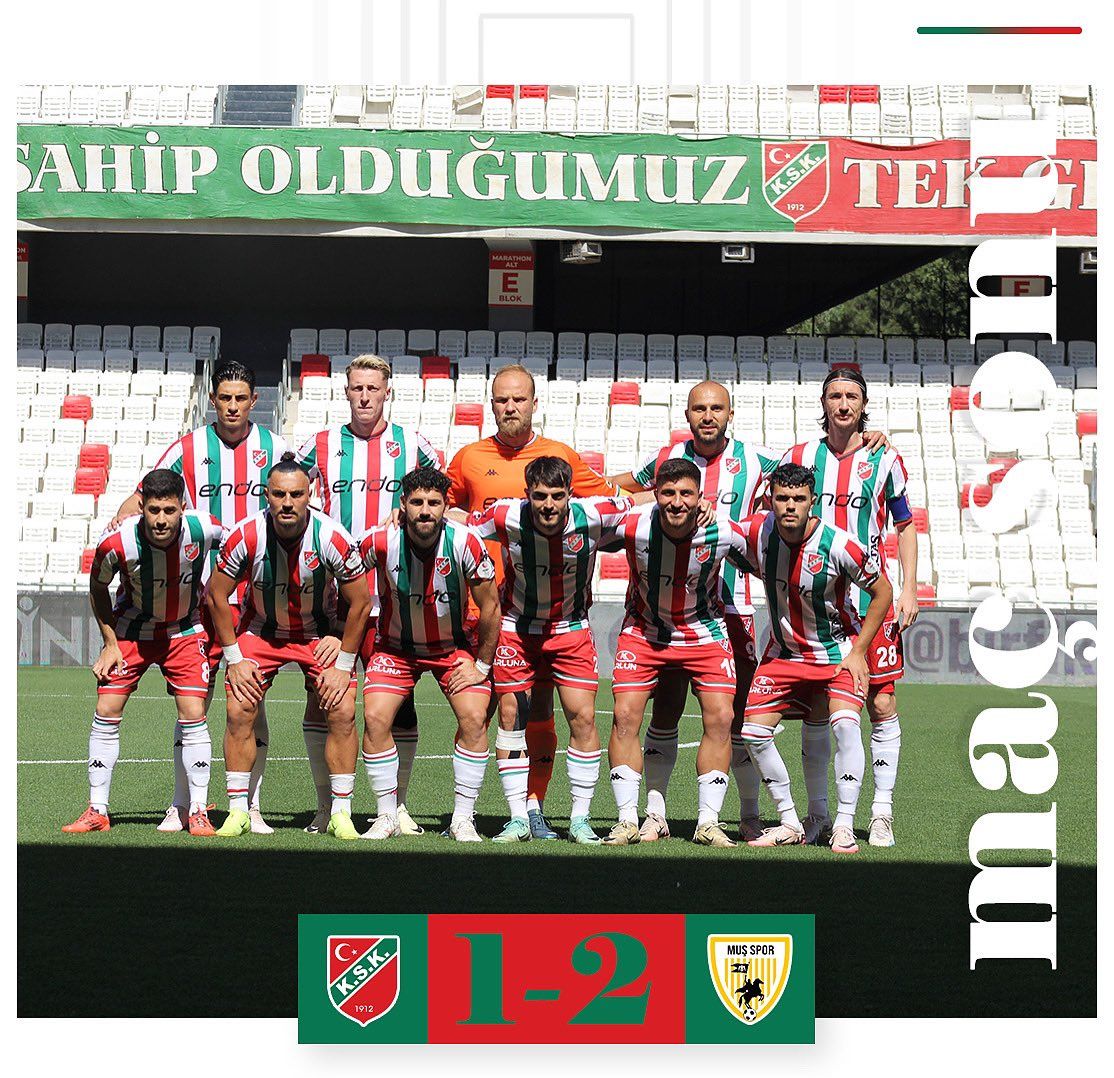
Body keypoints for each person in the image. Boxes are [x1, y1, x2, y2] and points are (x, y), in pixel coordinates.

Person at [446, 362, 626, 840]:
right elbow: (443, 507)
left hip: (560, 622)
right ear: (491, 404)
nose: (510, 407)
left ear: (533, 403)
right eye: (502, 399)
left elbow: (620, 502)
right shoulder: (468, 458)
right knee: (479, 713)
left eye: (519, 399)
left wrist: (691, 502)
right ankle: (467, 815)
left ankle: (537, 809)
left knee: (546, 713)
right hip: (489, 613)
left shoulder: (561, 456)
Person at [111, 360, 287, 835]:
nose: (232, 406)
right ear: (213, 400)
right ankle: (182, 803)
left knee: (251, 701)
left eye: (240, 398)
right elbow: (142, 496)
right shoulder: (186, 449)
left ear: (254, 401)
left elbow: (302, 502)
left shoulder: (276, 449)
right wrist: (120, 518)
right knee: (194, 704)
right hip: (201, 597)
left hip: (255, 595)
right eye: (224, 398)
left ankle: (250, 805)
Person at [608, 381, 780, 842]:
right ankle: (654, 813)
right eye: (699, 408)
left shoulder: (758, 460)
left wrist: (865, 439)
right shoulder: (668, 458)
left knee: (734, 716)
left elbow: (802, 485)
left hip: (730, 606)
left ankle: (745, 814)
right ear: (687, 415)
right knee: (665, 706)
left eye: (716, 408)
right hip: (661, 616)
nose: (708, 416)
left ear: (730, 413)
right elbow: (622, 488)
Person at [295, 354, 441, 836]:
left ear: (387, 392)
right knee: (324, 699)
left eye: (372, 388)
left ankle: (397, 806)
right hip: (333, 601)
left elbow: (444, 500)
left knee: (400, 705)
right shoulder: (318, 445)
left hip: (395, 599)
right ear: (346, 392)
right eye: (356, 388)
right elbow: (284, 490)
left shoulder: (414, 446)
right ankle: (326, 806)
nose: (364, 396)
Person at [782, 368, 917, 847]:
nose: (843, 404)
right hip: (815, 603)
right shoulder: (799, 457)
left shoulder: (885, 457)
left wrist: (909, 588)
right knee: (820, 707)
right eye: (835, 396)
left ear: (863, 404)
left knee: (881, 702)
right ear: (824, 402)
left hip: (870, 602)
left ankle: (881, 812)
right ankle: (819, 814)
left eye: (852, 397)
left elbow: (904, 525)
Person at [206, 455, 370, 840]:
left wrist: (343, 657)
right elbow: (216, 595)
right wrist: (234, 659)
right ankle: (238, 811)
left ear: (309, 495)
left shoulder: (332, 537)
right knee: (239, 707)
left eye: (296, 494)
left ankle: (340, 813)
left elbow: (361, 602)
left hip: (318, 634)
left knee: (342, 709)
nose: (287, 503)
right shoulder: (246, 535)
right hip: (261, 631)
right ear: (267, 495)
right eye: (279, 494)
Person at [735, 463, 892, 854]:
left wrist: (859, 651)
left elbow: (883, 592)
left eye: (798, 499)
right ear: (770, 499)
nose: (790, 506)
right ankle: (790, 820)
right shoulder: (757, 532)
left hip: (837, 653)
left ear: (812, 501)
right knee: (752, 733)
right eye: (782, 498)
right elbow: (721, 535)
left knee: (845, 726)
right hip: (784, 654)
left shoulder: (839, 545)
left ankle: (843, 824)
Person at [603, 458, 754, 848]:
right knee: (624, 716)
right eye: (668, 493)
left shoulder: (722, 531)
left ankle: (708, 822)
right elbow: (578, 529)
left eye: (686, 493)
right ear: (655, 494)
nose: (676, 501)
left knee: (722, 717)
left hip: (704, 634)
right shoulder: (632, 525)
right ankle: (627, 819)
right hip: (644, 632)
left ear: (700, 497)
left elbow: (768, 559)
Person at [63, 469, 224, 836]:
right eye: (153, 510)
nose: (161, 519)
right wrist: (109, 643)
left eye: (169, 510)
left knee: (193, 712)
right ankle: (97, 810)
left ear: (183, 507)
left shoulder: (204, 528)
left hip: (184, 629)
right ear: (142, 507)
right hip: (131, 630)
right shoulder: (117, 543)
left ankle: (198, 810)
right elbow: (97, 588)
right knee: (107, 707)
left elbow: (241, 548)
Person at [356, 468, 500, 843]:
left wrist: (482, 665)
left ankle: (462, 819)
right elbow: (342, 579)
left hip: (452, 647)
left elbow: (490, 606)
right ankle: (386, 815)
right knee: (374, 717)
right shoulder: (379, 540)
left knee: (474, 718)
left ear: (445, 506)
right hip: (395, 647)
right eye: (417, 502)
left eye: (433, 503)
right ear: (402, 504)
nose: (425, 511)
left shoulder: (465, 542)